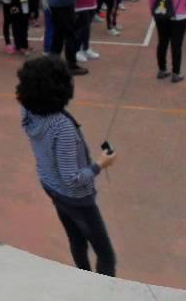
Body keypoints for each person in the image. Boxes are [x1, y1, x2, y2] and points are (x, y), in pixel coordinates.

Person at [18, 55, 118, 276]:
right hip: (75, 197)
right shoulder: (61, 127)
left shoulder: (28, 110)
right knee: (106, 254)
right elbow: (72, 177)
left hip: (50, 184)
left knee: (76, 238)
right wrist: (100, 164)